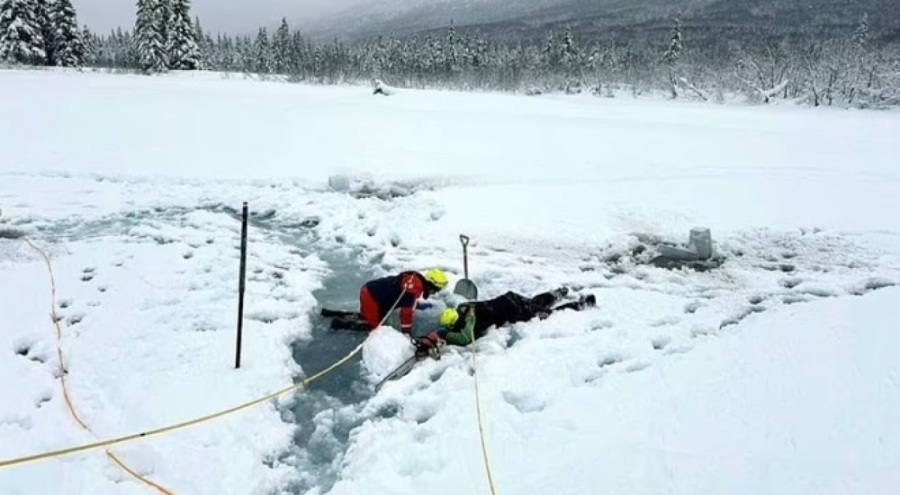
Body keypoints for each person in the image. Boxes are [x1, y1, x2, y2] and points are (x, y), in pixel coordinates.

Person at [415, 288, 596, 352]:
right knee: (535, 302)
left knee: (549, 314)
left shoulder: (470, 320)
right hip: (509, 298)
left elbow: (464, 337)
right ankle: (556, 293)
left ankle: (581, 304)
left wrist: (446, 335)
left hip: (515, 310)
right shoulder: (465, 307)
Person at [326, 268, 450, 333]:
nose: (436, 292)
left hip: (371, 291)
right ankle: (340, 324)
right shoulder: (413, 288)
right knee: (374, 327)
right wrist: (406, 333)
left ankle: (330, 313)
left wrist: (417, 306)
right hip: (371, 297)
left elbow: (405, 300)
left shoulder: (414, 280)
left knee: (369, 317)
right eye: (437, 289)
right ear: (431, 284)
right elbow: (406, 314)